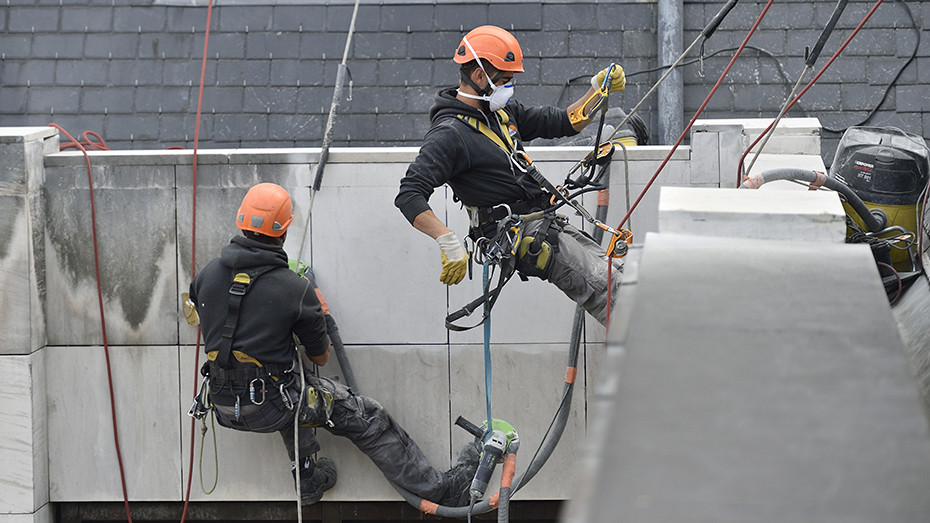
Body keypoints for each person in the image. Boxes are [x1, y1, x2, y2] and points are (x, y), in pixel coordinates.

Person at [188, 182, 479, 506]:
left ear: (241, 222)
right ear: (284, 232)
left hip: (224, 407)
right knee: (365, 415)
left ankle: (309, 480)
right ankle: (441, 491)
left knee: (292, 390)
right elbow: (321, 356)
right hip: (271, 406)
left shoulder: (206, 275)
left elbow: (220, 320)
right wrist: (317, 312)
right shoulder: (293, 289)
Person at [394, 25, 627, 325]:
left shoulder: (501, 115)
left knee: (615, 275)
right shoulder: (450, 135)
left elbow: (562, 123)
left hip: (542, 221)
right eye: (504, 80)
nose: (509, 87)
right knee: (611, 292)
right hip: (518, 234)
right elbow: (409, 194)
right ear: (479, 77)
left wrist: (597, 91)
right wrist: (446, 239)